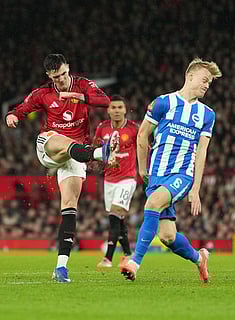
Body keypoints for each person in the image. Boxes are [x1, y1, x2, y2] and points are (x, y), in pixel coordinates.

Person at [5, 54, 118, 283]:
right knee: (59, 140)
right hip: (49, 147)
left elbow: (106, 102)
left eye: (64, 74)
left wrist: (80, 97)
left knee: (69, 206)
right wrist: (12, 116)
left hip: (76, 156)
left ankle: (61, 268)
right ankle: (98, 153)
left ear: (69, 69)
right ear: (49, 76)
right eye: (56, 77)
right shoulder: (43, 94)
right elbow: (22, 108)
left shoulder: (83, 85)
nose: (61, 80)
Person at [120, 57, 222, 282]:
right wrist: (142, 169)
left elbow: (202, 152)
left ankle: (134, 262)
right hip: (156, 175)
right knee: (167, 236)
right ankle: (199, 258)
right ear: (190, 76)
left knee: (153, 203)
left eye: (210, 83)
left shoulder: (207, 115)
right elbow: (142, 135)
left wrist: (195, 188)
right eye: (205, 80)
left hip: (182, 175)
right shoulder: (163, 103)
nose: (207, 85)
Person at [95, 95, 139, 268]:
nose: (117, 111)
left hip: (128, 178)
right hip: (109, 179)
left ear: (125, 109)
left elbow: (145, 149)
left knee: (114, 214)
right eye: (113, 107)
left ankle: (108, 258)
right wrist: (102, 161)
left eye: (120, 107)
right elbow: (97, 150)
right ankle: (128, 254)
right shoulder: (102, 128)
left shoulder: (134, 129)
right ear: (108, 110)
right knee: (117, 219)